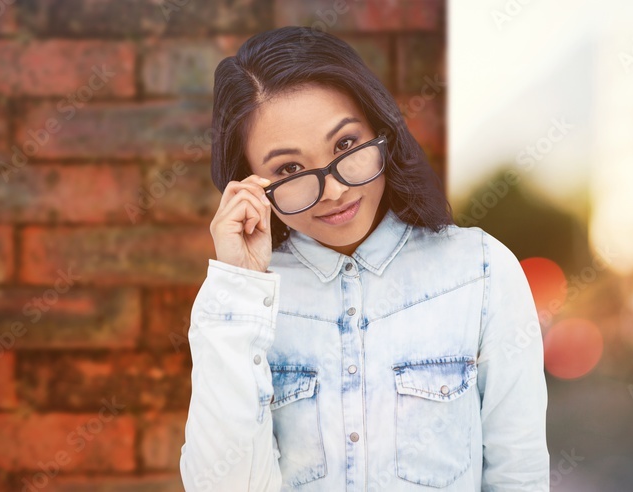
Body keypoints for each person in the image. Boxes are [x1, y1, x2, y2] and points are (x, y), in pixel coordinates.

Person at [179, 26, 549, 491]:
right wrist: (240, 289)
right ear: (252, 184)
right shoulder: (243, 302)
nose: (333, 191)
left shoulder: (481, 272)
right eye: (290, 170)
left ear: (381, 130)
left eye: (346, 145)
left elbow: (520, 474)